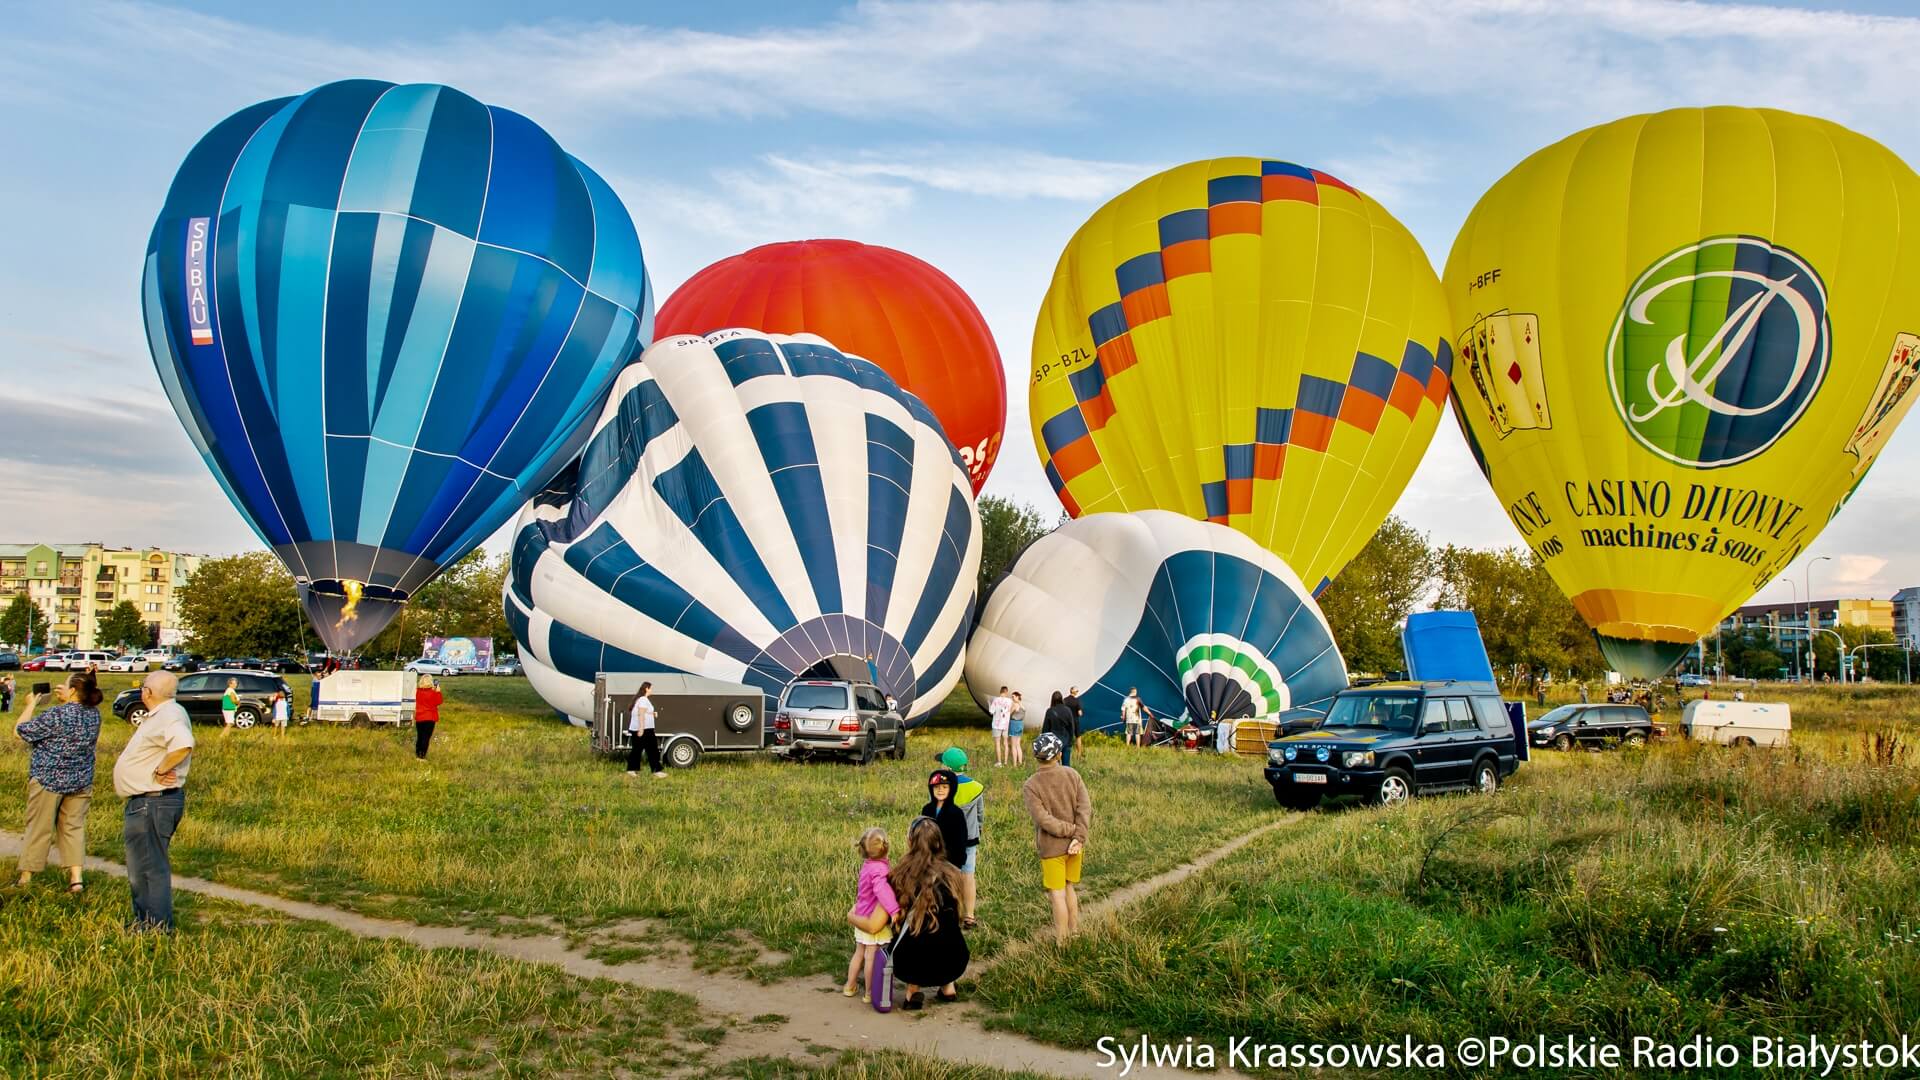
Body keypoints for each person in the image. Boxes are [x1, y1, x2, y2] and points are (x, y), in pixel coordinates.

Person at [115, 672, 194, 931]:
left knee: (149, 868)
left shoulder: (169, 715)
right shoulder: (165, 713)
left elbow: (183, 745)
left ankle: (157, 926)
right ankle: (144, 921)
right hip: (148, 801)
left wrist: (161, 770)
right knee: (141, 867)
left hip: (153, 802)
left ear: (147, 692)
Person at [862, 816, 968, 1009]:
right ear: (938, 842)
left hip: (913, 963)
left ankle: (912, 991)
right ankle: (948, 987)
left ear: (911, 841)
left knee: (913, 937)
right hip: (955, 958)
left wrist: (854, 915)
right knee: (944, 933)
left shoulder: (900, 875)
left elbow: (888, 917)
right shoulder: (954, 874)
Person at [13, 670, 103, 894]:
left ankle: (26, 877)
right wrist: (68, 700)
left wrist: (31, 705)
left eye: (66, 685)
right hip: (80, 779)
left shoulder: (56, 714)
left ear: (72, 690)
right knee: (73, 828)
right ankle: (76, 879)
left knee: (39, 828)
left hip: (48, 778)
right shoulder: (94, 714)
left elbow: (20, 731)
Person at [1022, 732, 1091, 942]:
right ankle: (1075, 931)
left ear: (1036, 756)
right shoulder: (1073, 775)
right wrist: (1078, 836)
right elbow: (1085, 808)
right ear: (1059, 754)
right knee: (1070, 887)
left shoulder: (1031, 785)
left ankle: (1062, 940)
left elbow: (1043, 819)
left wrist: (1070, 832)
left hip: (1052, 848)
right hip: (1075, 846)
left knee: (1057, 894)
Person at [843, 827, 898, 997]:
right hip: (871, 917)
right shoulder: (879, 870)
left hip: (861, 913)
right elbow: (882, 891)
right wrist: (894, 909)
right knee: (871, 957)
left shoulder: (868, 866)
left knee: (859, 953)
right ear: (885, 848)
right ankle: (869, 992)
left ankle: (849, 986)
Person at [934, 747, 984, 928]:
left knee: (947, 877)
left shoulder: (942, 788)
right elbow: (980, 815)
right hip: (969, 839)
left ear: (947, 768)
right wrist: (979, 829)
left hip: (946, 840)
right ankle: (969, 916)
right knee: (968, 875)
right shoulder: (976, 787)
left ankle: (951, 915)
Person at [626, 681, 663, 777]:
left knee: (638, 749)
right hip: (645, 728)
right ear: (647, 689)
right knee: (652, 749)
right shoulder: (643, 699)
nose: (652, 690)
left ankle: (632, 770)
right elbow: (641, 713)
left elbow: (644, 712)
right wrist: (641, 729)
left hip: (644, 728)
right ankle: (656, 771)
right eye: (651, 688)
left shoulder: (641, 699)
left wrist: (653, 713)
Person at [1042, 691, 1079, 768]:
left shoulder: (1050, 711)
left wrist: (1044, 742)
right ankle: (1066, 779)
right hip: (1066, 739)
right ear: (1061, 699)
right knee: (1066, 765)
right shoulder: (1067, 710)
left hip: (1053, 740)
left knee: (1054, 765)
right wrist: (1070, 740)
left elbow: (1045, 729)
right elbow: (1071, 727)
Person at [413, 676, 443, 759]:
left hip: (419, 717)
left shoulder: (417, 692)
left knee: (420, 736)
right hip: (430, 717)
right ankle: (421, 756)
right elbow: (439, 702)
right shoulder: (433, 692)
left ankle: (418, 753)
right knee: (426, 738)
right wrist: (438, 692)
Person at [987, 686, 1012, 767]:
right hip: (1005, 725)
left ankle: (999, 762)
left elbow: (991, 711)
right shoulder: (1009, 701)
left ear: (1000, 691)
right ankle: (1005, 762)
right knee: (1005, 743)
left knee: (997, 743)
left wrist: (989, 704)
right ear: (1006, 692)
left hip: (997, 725)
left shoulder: (996, 700)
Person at [1006, 692, 1026, 766]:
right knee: (1018, 745)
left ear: (1018, 697)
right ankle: (1020, 762)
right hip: (1020, 724)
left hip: (1014, 724)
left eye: (1013, 697)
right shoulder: (1023, 706)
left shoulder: (1015, 705)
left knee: (1013, 745)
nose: (1012, 698)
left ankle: (1014, 764)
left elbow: (1008, 713)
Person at [1064, 687, 1084, 759]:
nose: (1077, 692)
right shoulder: (1077, 701)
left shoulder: (1065, 700)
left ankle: (1065, 752)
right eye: (1077, 690)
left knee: (1067, 737)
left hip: (1067, 721)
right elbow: (1080, 713)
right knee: (1078, 737)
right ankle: (1079, 754)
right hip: (1075, 721)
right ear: (1073, 691)